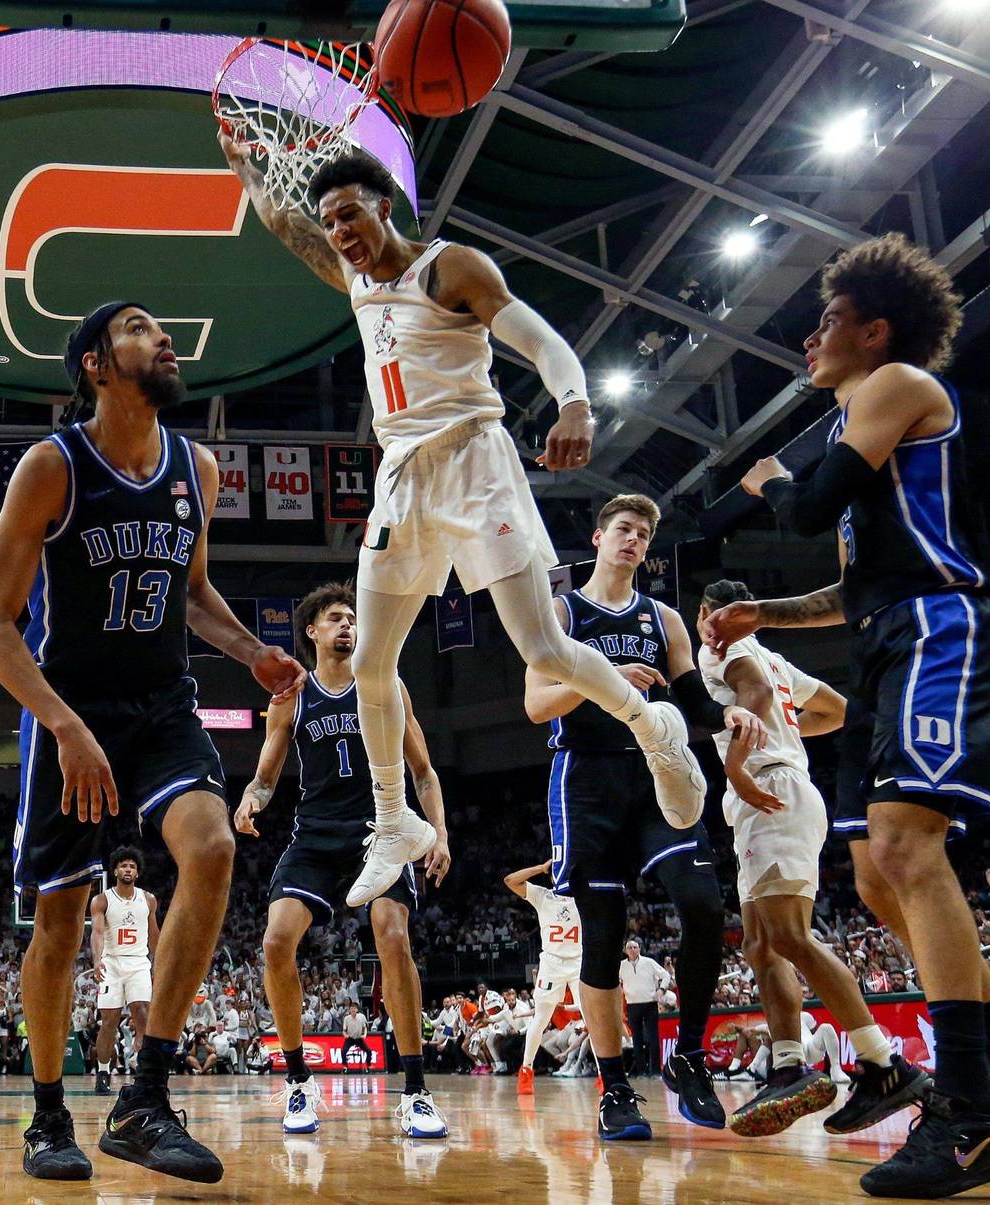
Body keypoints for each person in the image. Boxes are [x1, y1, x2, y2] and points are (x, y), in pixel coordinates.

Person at [217, 133, 710, 913]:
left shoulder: (452, 268)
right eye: (333, 220)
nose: (340, 231)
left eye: (351, 214)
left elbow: (539, 338)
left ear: (385, 206)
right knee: (373, 664)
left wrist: (575, 401)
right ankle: (392, 822)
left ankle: (654, 730)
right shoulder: (352, 275)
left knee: (542, 646)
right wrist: (248, 169)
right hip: (402, 475)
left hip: (476, 463)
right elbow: (288, 225)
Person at [0, 301, 305, 1184]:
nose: (163, 338)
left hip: (163, 706)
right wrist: (65, 723)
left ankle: (144, 1099)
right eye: (138, 328)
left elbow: (193, 590)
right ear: (94, 363)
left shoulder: (197, 467)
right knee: (55, 920)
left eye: (162, 330)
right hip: (71, 710)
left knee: (211, 848)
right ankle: (48, 1116)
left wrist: (252, 653)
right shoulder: (53, 466)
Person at [704, 234, 990, 1198]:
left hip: (936, 627)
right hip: (881, 631)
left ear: (875, 328)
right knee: (873, 879)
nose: (809, 339)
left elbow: (804, 506)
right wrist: (766, 614)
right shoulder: (858, 418)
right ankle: (948, 1068)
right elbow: (847, 588)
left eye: (826, 321)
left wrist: (764, 482)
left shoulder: (897, 383)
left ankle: (971, 1111)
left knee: (911, 852)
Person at [523, 493, 766, 1140]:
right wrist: (606, 680)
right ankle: (616, 1088)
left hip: (657, 772)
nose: (633, 539)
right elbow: (537, 705)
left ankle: (688, 1054)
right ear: (599, 537)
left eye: (643, 533)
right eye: (623, 529)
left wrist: (727, 715)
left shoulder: (663, 618)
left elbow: (691, 694)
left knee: (706, 904)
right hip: (587, 777)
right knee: (603, 938)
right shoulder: (560, 611)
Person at [698, 578, 928, 1139]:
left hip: (771, 790)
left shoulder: (725, 649)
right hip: (775, 791)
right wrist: (786, 735)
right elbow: (837, 711)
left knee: (791, 937)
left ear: (711, 613)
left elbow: (751, 696)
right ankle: (787, 1067)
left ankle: (884, 1064)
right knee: (759, 942)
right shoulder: (773, 657)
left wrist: (739, 760)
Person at [235, 583, 449, 1138]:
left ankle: (417, 1091)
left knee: (392, 934)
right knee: (276, 941)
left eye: (352, 618)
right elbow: (265, 774)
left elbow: (424, 772)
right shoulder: (292, 696)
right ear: (311, 632)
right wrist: (250, 801)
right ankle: (300, 1081)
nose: (348, 627)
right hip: (315, 836)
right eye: (335, 619)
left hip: (379, 832)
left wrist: (440, 835)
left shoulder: (385, 686)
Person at [502, 858, 583, 1095]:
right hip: (551, 964)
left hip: (578, 962)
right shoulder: (543, 895)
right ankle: (526, 1071)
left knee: (591, 1019)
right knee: (540, 1019)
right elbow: (509, 880)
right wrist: (540, 868)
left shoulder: (584, 897)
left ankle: (605, 1076)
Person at [91, 846, 159, 1095]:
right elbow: (97, 933)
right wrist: (97, 960)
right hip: (112, 963)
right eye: (123, 865)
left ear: (137, 872)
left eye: (132, 866)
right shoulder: (102, 900)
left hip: (139, 963)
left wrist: (159, 960)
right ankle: (102, 1071)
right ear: (115, 870)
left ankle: (145, 1074)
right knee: (109, 1021)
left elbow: (153, 933)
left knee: (142, 1015)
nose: (128, 869)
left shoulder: (148, 899)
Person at [619, 941, 668, 1078]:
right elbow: (616, 982)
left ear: (639, 949)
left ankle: (656, 1071)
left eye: (635, 947)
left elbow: (666, 975)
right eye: (630, 947)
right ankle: (641, 1071)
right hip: (632, 1005)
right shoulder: (621, 966)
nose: (633, 949)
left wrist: (661, 990)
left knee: (653, 1038)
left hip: (650, 1003)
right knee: (637, 1040)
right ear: (626, 950)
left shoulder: (649, 962)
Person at [341, 1003, 373, 1072]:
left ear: (357, 1010)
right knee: (343, 1051)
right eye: (351, 1009)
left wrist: (364, 1035)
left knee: (368, 1051)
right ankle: (345, 1066)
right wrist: (345, 1035)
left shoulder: (361, 1017)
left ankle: (368, 1066)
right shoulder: (346, 1018)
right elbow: (344, 1030)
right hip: (350, 1038)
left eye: (354, 1008)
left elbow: (365, 1028)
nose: (353, 1010)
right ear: (349, 1010)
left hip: (359, 1038)